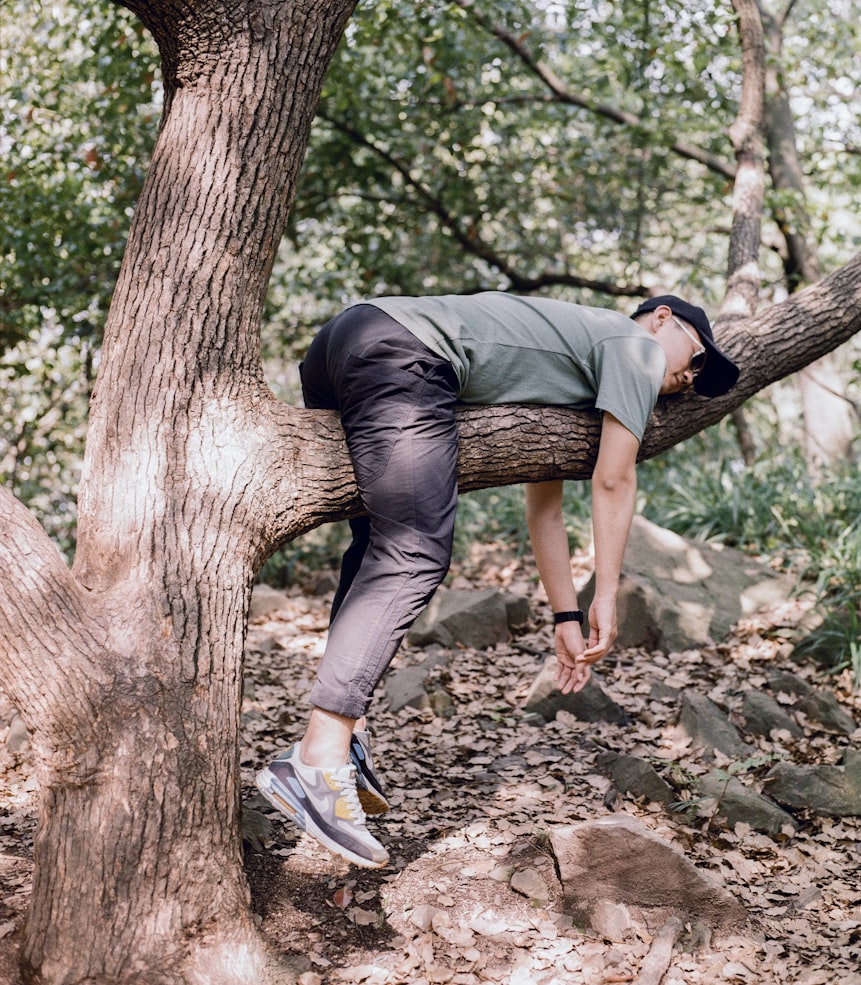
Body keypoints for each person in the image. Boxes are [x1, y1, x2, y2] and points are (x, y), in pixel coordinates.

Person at [256, 292, 740, 868]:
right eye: (699, 357)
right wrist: (604, 593)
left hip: (344, 341)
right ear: (662, 318)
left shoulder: (576, 359)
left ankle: (345, 735)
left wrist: (565, 615)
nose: (690, 376)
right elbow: (614, 480)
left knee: (378, 546)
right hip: (403, 350)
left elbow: (546, 509)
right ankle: (316, 759)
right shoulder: (633, 346)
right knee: (415, 552)